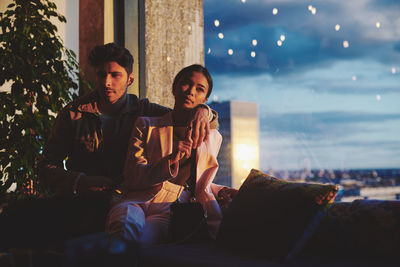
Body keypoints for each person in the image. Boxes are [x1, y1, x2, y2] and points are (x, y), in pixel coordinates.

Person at [107, 64, 238, 245]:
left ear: (205, 99)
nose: (191, 91)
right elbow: (132, 176)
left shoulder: (213, 138)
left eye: (199, 89)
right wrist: (169, 161)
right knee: (124, 229)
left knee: (140, 244)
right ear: (174, 87)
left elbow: (198, 183)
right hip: (136, 198)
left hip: (170, 207)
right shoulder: (146, 125)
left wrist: (220, 190)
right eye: (186, 84)